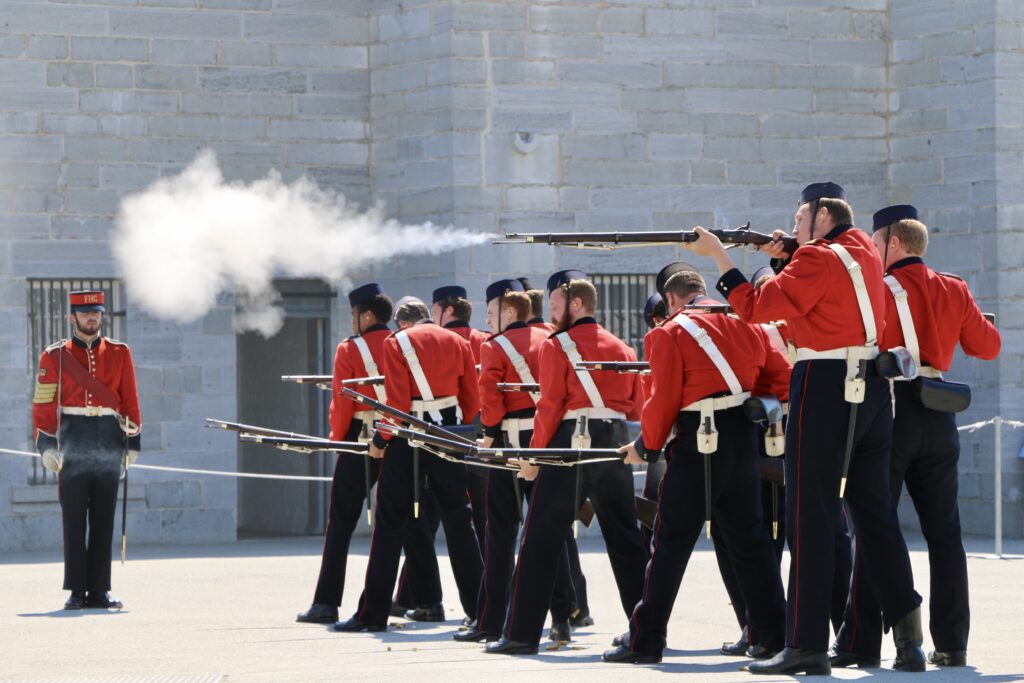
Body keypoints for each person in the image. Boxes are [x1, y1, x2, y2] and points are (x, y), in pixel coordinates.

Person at [687, 182, 926, 675]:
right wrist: (786, 256)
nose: (793, 228)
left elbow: (754, 308)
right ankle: (909, 643)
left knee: (808, 515)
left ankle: (807, 644)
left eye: (799, 220)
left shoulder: (816, 259)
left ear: (821, 219)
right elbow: (821, 296)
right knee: (875, 515)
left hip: (823, 382)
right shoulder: (861, 248)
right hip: (872, 388)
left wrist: (719, 257)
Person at [831, 205, 1001, 669]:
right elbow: (987, 346)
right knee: (946, 534)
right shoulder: (953, 287)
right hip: (940, 410)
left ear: (895, 243)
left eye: (874, 239)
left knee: (873, 525)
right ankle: (952, 642)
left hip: (891, 409)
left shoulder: (879, 289)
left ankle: (859, 640)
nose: (869, 247)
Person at [602, 268, 788, 664]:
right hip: (742, 438)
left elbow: (663, 398)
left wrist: (646, 447)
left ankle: (646, 639)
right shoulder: (748, 323)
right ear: (701, 292)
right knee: (751, 542)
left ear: (671, 300)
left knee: (669, 544)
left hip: (698, 440)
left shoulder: (667, 333)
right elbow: (780, 379)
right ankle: (773, 636)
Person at [485, 270, 648, 655]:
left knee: (540, 537)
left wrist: (534, 457)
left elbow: (550, 406)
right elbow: (638, 406)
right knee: (625, 540)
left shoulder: (558, 346)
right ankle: (645, 629)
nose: (551, 314)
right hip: (612, 442)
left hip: (568, 443)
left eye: (556, 307)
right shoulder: (623, 347)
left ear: (577, 304)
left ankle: (521, 634)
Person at [334, 295, 483, 632]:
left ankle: (372, 614)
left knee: (389, 525)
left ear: (403, 323)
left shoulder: (397, 342)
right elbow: (471, 399)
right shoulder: (458, 341)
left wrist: (379, 440)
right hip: (448, 434)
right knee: (460, 522)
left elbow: (397, 403)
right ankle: (481, 613)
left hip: (408, 436)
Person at [296, 284, 443, 625]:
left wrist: (337, 441)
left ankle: (326, 602)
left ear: (366, 315)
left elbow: (341, 404)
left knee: (341, 523)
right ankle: (429, 599)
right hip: (401, 436)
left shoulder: (350, 349)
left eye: (353, 315)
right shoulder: (401, 343)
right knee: (409, 520)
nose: (351, 322)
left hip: (361, 437)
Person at [456, 278, 577, 644]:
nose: (488, 321)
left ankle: (490, 621)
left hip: (510, 443)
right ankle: (562, 617)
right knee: (544, 531)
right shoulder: (551, 340)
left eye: (491, 313)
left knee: (499, 531)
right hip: (546, 440)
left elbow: (490, 401)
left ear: (510, 311)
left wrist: (487, 438)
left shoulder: (495, 347)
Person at [33, 290, 141, 610]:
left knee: (104, 516)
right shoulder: (54, 356)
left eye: (96, 312)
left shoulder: (120, 353)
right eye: (85, 313)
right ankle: (77, 590)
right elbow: (43, 403)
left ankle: (100, 590)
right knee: (75, 517)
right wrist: (46, 445)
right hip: (74, 434)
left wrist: (131, 442)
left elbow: (130, 397)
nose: (91, 318)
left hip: (109, 435)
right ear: (72, 318)